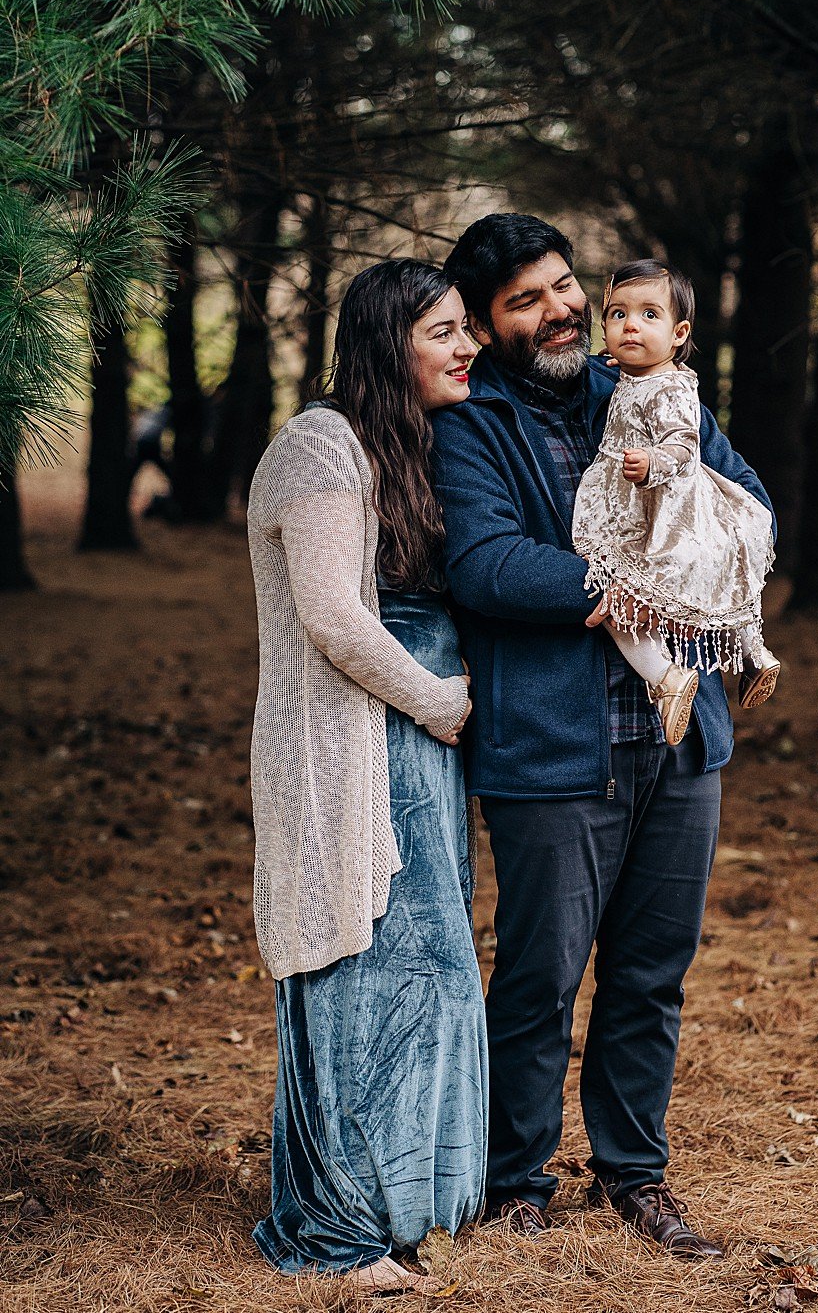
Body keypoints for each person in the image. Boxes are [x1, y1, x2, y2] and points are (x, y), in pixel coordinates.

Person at [432, 213, 775, 1260]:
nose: (562, 310)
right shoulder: (469, 422)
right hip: (552, 747)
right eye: (524, 300)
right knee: (540, 975)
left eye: (563, 286)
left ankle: (636, 1176)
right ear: (489, 328)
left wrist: (687, 539)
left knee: (650, 973)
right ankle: (516, 1182)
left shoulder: (650, 385)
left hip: (680, 739)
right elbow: (486, 565)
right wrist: (633, 581)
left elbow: (747, 502)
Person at [246, 260, 486, 1292]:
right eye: (442, 330)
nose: (466, 344)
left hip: (413, 757)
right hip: (347, 752)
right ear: (392, 344)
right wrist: (434, 700)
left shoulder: (411, 446)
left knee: (426, 973)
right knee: (356, 973)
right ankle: (340, 1230)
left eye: (466, 325)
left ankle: (408, 1201)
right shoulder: (317, 445)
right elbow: (334, 617)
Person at [573, 258, 780, 747]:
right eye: (618, 315)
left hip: (654, 504)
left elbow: (685, 442)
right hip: (670, 500)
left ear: (679, 331)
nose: (631, 326)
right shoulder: (644, 374)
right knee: (716, 582)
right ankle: (754, 653)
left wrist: (654, 462)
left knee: (622, 596)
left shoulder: (668, 387)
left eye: (649, 315)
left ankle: (666, 678)